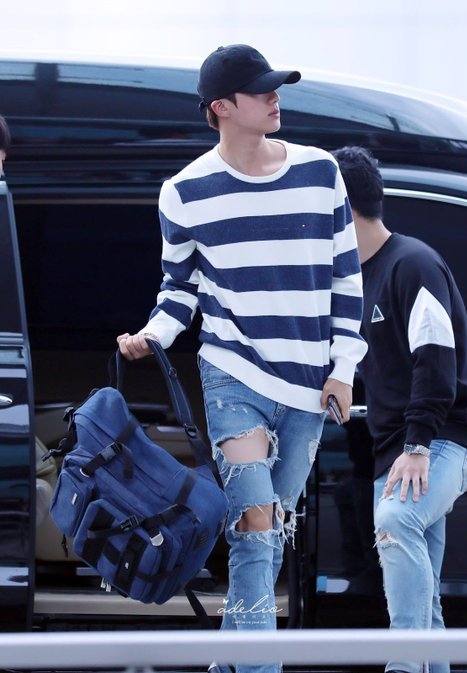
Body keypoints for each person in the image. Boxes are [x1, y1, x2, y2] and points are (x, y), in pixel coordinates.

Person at [118, 45, 367, 673]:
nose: (275, 97)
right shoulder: (185, 192)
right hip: (233, 373)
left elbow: (346, 278)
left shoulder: (321, 173)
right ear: (222, 108)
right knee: (255, 526)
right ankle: (258, 668)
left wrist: (343, 368)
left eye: (275, 87)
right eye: (261, 90)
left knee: (269, 535)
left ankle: (229, 662)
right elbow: (179, 289)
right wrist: (152, 335)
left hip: (308, 383)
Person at [333, 145, 467, 673]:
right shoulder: (354, 280)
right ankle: (425, 664)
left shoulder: (411, 263)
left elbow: (436, 360)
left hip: (443, 437)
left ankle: (403, 664)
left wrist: (417, 444)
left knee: (395, 521)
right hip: (393, 448)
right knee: (425, 598)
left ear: (341, 207)